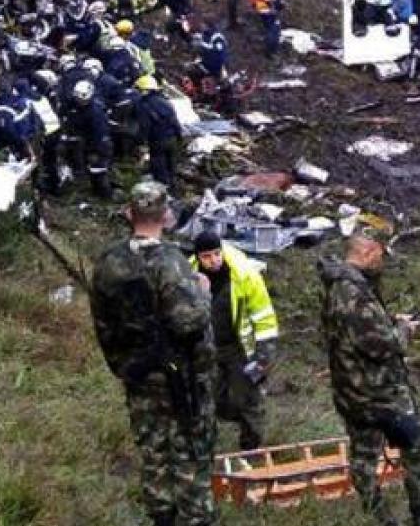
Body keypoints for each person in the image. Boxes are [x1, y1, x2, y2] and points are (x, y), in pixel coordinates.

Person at [86, 182, 216, 526]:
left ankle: (162, 515)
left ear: (129, 214)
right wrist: (203, 293)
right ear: (167, 216)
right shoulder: (171, 262)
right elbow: (188, 322)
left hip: (137, 372)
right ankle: (194, 517)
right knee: (190, 451)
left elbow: (102, 319)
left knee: (153, 450)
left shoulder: (109, 262)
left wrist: (122, 364)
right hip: (179, 375)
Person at [318, 234, 420, 526]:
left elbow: (357, 331)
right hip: (379, 396)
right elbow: (384, 346)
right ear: (368, 252)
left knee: (363, 457)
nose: (381, 262)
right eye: (380, 255)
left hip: (351, 392)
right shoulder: (354, 294)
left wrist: (387, 319)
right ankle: (418, 517)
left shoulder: (338, 286)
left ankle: (381, 516)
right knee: (418, 450)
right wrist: (403, 328)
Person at [192, 232, 279, 452]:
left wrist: (264, 356)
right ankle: (207, 450)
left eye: (217, 254)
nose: (214, 260)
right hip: (206, 349)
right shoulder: (187, 275)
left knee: (248, 400)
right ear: (198, 258)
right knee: (210, 401)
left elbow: (264, 317)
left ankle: (251, 450)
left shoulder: (245, 275)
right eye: (207, 257)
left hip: (238, 348)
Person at [63, 78, 115, 198]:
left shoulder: (96, 112)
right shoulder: (76, 107)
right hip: (88, 142)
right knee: (92, 169)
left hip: (99, 145)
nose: (80, 101)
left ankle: (105, 195)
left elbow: (100, 133)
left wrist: (95, 150)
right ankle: (97, 191)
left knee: (99, 169)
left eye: (82, 99)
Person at [134, 75, 182, 193]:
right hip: (172, 138)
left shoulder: (143, 105)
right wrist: (179, 136)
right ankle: (174, 188)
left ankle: (165, 192)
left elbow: (144, 126)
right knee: (171, 165)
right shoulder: (165, 102)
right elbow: (175, 121)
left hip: (157, 141)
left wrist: (140, 142)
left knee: (159, 167)